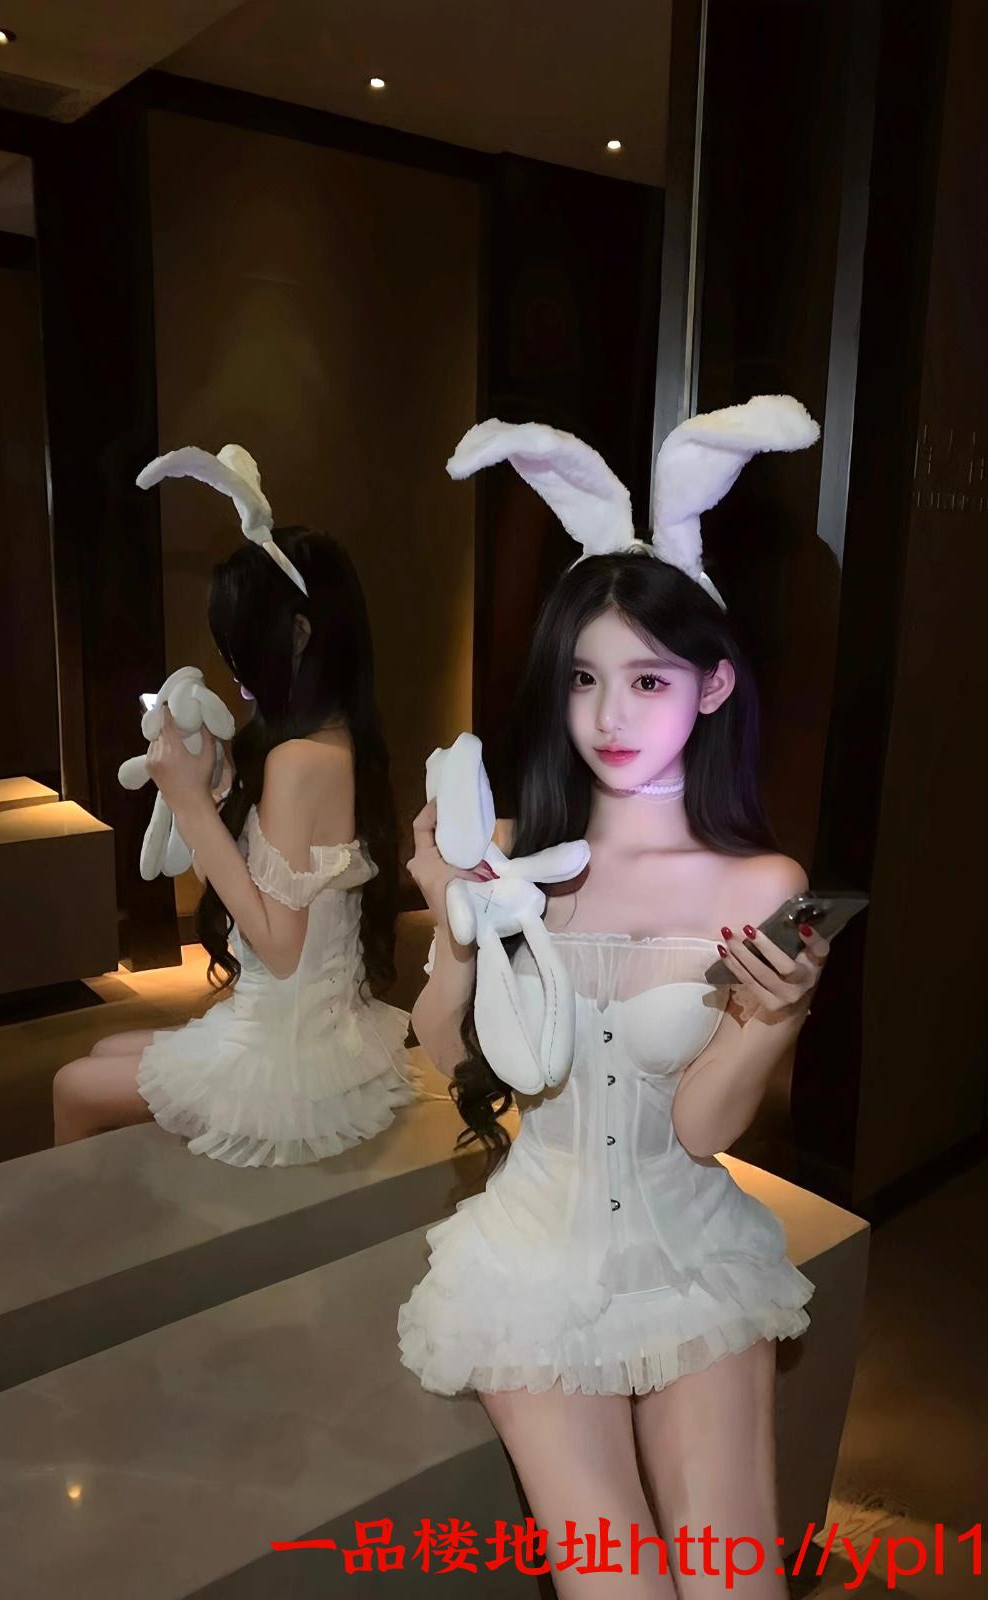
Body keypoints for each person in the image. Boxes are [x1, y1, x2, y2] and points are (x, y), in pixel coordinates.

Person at [397, 403, 830, 1597]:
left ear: (713, 685)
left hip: (690, 1251)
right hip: (532, 1258)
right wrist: (450, 918)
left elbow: (699, 1128)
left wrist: (778, 1012)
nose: (610, 714)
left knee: (735, 1585)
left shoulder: (760, 884)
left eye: (648, 677)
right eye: (586, 678)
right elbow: (447, 1048)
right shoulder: (516, 855)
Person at [52, 444, 421, 1165]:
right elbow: (276, 895)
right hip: (318, 1039)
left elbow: (278, 948)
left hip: (285, 1062)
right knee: (104, 1050)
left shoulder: (297, 759)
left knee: (73, 1083)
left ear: (299, 636)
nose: (233, 668)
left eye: (241, 648)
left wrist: (189, 801)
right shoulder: (336, 742)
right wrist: (217, 790)